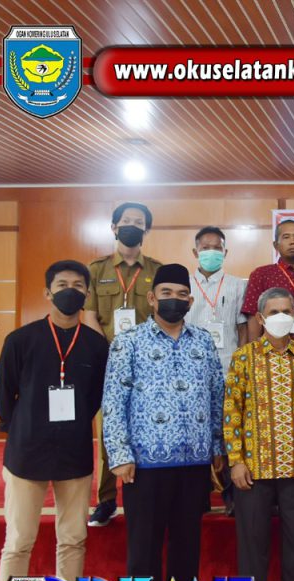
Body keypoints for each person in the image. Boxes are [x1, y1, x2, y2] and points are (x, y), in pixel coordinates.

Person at [102, 264, 224, 581]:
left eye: (181, 294)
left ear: (190, 301)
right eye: (166, 293)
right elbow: (113, 401)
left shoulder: (203, 341)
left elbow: (216, 395)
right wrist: (120, 454)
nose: (174, 299)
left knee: (187, 543)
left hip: (194, 461)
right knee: (144, 545)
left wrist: (217, 446)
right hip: (144, 463)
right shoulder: (128, 342)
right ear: (152, 299)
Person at [0, 261, 109, 581]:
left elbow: (95, 397)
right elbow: (5, 396)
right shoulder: (20, 340)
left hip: (74, 452)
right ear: (48, 292)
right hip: (27, 452)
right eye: (62, 285)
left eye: (78, 285)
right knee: (19, 541)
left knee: (73, 539)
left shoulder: (96, 345)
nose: (70, 291)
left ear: (87, 294)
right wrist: (26, 427)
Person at [225, 287, 294, 581]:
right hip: (254, 469)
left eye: (287, 311)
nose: (281, 317)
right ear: (260, 317)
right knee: (252, 545)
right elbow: (232, 410)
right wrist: (236, 460)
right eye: (273, 312)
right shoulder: (244, 357)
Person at [83, 202, 162, 527]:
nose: (132, 225)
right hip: (107, 362)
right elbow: (90, 315)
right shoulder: (97, 269)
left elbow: (161, 317)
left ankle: (146, 493)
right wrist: (109, 353)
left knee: (149, 427)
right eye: (126, 221)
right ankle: (106, 500)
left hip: (147, 364)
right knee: (109, 431)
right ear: (114, 227)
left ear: (146, 229)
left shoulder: (157, 270)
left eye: (138, 222)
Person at [186, 226, 248, 516]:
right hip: (193, 374)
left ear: (225, 251)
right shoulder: (185, 286)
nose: (211, 252)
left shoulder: (237, 285)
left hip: (228, 369)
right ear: (195, 251)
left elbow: (242, 329)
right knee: (198, 432)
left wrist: (241, 367)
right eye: (205, 247)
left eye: (217, 247)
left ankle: (231, 493)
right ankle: (199, 493)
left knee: (229, 432)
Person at [242, 219, 294, 352]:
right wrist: (255, 353)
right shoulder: (261, 275)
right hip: (270, 353)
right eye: (286, 237)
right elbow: (253, 317)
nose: (292, 241)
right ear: (276, 245)